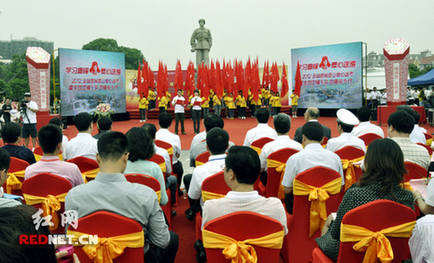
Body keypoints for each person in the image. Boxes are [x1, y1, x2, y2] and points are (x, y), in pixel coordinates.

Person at [65, 131, 179, 263]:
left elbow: (71, 238)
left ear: (97, 158)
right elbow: (162, 241)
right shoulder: (146, 194)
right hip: (137, 258)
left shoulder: (73, 196)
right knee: (172, 239)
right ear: (126, 157)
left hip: (90, 258)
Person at [315, 139, 414, 261]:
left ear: (369, 163)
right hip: (390, 253)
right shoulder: (407, 196)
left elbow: (337, 233)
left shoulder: (355, 194)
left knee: (327, 230)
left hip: (354, 252)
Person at [202, 146, 288, 235]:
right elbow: (282, 235)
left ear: (231, 174)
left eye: (225, 167)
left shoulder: (210, 208)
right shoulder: (275, 207)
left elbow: (207, 238)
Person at [282, 122, 344, 213]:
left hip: (301, 210)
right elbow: (340, 186)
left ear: (303, 138)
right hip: (328, 209)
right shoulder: (335, 158)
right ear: (322, 140)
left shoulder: (294, 159)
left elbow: (287, 189)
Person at [185, 127, 229, 220]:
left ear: (207, 147)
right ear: (228, 146)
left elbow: (193, 196)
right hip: (234, 211)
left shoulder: (200, 170)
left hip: (208, 214)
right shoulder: (238, 167)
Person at [123, 127, 172, 206]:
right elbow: (163, 200)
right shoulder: (154, 168)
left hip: (125, 212)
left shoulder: (120, 167)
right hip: (149, 214)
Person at [156, 112, 184, 195]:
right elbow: (178, 155)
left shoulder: (154, 136)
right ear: (171, 123)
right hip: (172, 166)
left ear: (158, 122)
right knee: (179, 168)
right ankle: (177, 190)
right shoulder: (175, 137)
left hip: (155, 164)